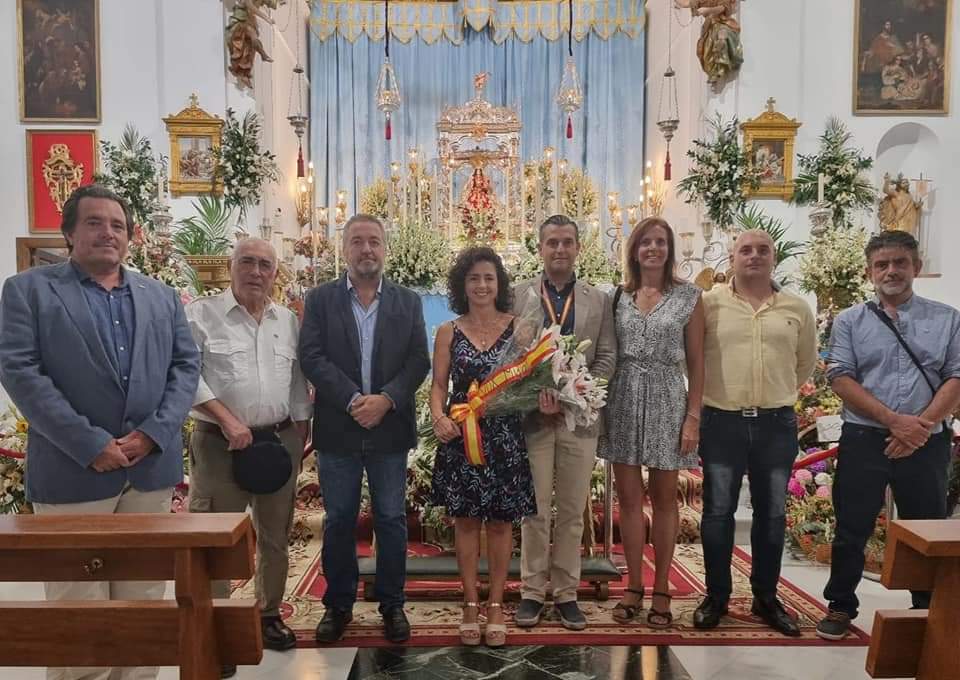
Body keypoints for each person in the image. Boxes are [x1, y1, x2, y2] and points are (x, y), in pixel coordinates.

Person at [0, 184, 200, 680]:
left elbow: (185, 367)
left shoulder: (160, 297)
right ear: (69, 233)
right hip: (72, 474)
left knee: (143, 604)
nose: (108, 233)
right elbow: (21, 372)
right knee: (79, 611)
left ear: (130, 236)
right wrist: (90, 444)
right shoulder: (28, 291)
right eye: (94, 222)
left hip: (148, 472)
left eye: (117, 225)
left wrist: (154, 433)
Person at [816, 230, 960, 640]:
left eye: (900, 262)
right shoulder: (850, 321)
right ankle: (841, 605)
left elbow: (956, 376)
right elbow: (840, 377)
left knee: (926, 527)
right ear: (869, 272)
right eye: (882, 264)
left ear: (916, 267)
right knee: (851, 525)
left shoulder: (947, 319)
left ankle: (927, 608)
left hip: (926, 441)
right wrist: (895, 421)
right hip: (866, 437)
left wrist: (920, 426)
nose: (891, 271)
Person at [299, 214, 430, 644]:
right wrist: (354, 399)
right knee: (339, 519)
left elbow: (418, 360)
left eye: (374, 240)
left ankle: (392, 604)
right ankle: (338, 605)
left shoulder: (408, 301)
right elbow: (311, 356)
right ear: (344, 249)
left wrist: (386, 399)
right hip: (340, 426)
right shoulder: (320, 299)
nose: (366, 249)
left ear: (385, 248)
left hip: (389, 427)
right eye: (357, 241)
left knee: (391, 518)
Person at [185, 238, 311, 678]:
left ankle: (267, 614)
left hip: (277, 441)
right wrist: (227, 420)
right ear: (231, 266)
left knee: (276, 535)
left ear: (276, 273)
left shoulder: (287, 321)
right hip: (220, 444)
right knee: (217, 537)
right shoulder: (201, 314)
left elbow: (296, 380)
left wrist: (301, 428)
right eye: (248, 262)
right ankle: (217, 626)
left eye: (265, 265)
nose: (256, 272)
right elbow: (186, 376)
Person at [693, 230, 816, 637]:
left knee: (773, 513)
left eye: (763, 250)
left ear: (773, 257)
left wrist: (774, 395)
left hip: (775, 423)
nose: (754, 256)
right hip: (722, 420)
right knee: (717, 512)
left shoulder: (796, 308)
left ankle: (766, 596)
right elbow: (692, 359)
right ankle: (716, 596)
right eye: (745, 250)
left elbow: (804, 363)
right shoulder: (709, 304)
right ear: (732, 258)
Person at [430, 246, 555, 646]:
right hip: (462, 434)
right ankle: (470, 603)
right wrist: (438, 417)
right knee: (466, 522)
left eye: (488, 278)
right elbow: (438, 386)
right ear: (462, 285)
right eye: (473, 278)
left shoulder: (520, 329)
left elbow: (532, 382)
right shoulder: (448, 331)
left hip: (504, 437)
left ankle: (497, 604)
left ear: (499, 284)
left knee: (501, 523)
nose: (482, 285)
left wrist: (544, 399)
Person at [509, 215, 616, 631]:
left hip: (579, 420)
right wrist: (534, 394)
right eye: (552, 242)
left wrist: (579, 392)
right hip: (534, 418)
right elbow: (510, 356)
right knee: (534, 510)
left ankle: (567, 593)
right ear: (540, 248)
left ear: (578, 248)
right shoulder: (518, 294)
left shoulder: (598, 299)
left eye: (567, 242)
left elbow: (606, 355)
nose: (559, 249)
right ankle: (532, 592)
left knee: (572, 510)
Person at [597, 217, 705, 628]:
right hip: (623, 398)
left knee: (664, 500)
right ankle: (633, 586)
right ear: (635, 250)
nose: (653, 248)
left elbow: (697, 363)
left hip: (667, 397)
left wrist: (692, 417)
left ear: (669, 248)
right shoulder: (617, 297)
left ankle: (661, 588)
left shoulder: (689, 297)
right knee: (627, 500)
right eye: (646, 242)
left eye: (660, 241)